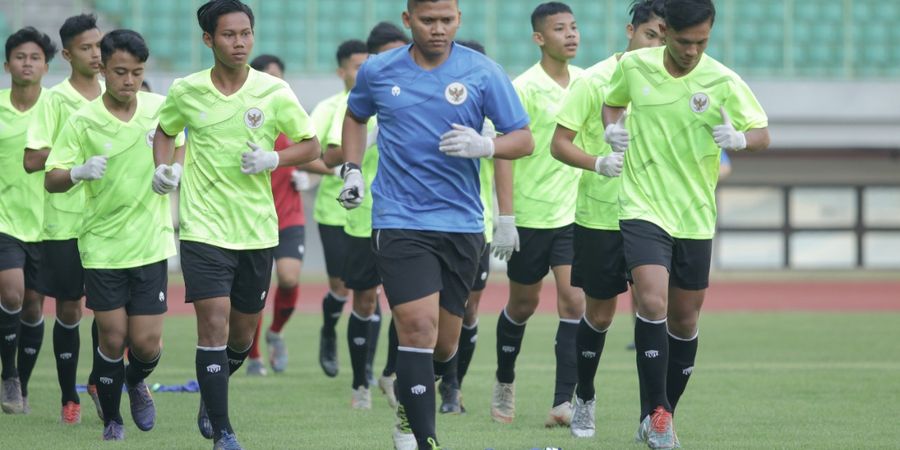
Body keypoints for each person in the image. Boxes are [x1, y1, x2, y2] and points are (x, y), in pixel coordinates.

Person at [338, 0, 533, 447]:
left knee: (444, 345)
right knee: (417, 327)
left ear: (459, 20)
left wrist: (486, 145)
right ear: (409, 21)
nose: (438, 29)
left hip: (462, 224)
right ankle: (422, 438)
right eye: (428, 20)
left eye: (447, 20)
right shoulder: (379, 71)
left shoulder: (483, 72)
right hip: (399, 218)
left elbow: (523, 138)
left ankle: (408, 408)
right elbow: (355, 116)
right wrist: (351, 170)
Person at [152, 1, 320, 448]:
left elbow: (312, 144)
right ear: (209, 40)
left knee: (242, 337)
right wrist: (163, 168)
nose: (240, 42)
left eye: (246, 33)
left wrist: (274, 157)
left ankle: (213, 391)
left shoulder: (274, 91)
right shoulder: (186, 90)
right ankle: (223, 431)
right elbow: (167, 130)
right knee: (214, 325)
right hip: (203, 228)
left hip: (258, 230)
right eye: (229, 35)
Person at [601, 0, 770, 447]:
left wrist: (740, 139)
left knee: (685, 319)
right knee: (651, 302)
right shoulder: (635, 67)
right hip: (641, 205)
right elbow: (612, 103)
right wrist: (610, 130)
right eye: (683, 41)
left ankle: (658, 414)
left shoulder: (723, 79)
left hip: (694, 215)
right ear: (665, 31)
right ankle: (660, 418)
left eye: (702, 41)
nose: (693, 50)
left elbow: (762, 133)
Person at [44, 29, 182, 441]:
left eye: (137, 73)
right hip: (102, 246)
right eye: (120, 71)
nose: (129, 81)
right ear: (103, 68)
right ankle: (112, 421)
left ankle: (135, 379)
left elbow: (180, 143)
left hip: (151, 241)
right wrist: (77, 172)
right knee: (113, 336)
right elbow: (52, 178)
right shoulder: (82, 120)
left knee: (146, 343)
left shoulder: (160, 109)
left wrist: (172, 172)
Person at [550, 0, 665, 438]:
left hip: (654, 214)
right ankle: (585, 397)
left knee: (655, 310)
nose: (655, 46)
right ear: (630, 31)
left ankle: (653, 417)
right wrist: (598, 162)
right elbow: (558, 144)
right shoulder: (594, 80)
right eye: (649, 35)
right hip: (600, 216)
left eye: (663, 38)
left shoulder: (672, 82)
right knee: (599, 315)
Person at [490, 1, 584, 428]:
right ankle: (504, 380)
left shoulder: (587, 82)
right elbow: (505, 155)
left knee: (573, 299)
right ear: (539, 38)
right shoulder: (522, 87)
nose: (571, 35)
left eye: (574, 27)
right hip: (529, 217)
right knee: (523, 305)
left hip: (572, 214)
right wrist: (505, 218)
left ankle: (565, 400)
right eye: (560, 28)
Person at [22, 13, 104, 423]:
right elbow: (33, 158)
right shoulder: (53, 100)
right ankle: (67, 393)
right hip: (65, 221)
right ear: (68, 54)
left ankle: (98, 378)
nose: (96, 53)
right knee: (70, 309)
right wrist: (73, 158)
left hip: (112, 221)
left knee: (110, 309)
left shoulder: (118, 93)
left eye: (99, 45)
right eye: (87, 47)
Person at [322, 25, 408, 410]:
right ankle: (361, 383)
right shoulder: (354, 103)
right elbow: (327, 157)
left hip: (408, 216)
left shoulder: (419, 93)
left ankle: (390, 373)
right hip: (364, 219)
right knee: (365, 302)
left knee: (407, 303)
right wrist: (357, 152)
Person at [243, 53, 314, 376]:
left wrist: (308, 178)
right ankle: (254, 355)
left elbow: (314, 155)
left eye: (280, 77)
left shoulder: (291, 117)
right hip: (252, 218)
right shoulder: (246, 120)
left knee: (288, 277)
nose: (276, 83)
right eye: (269, 76)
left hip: (288, 216)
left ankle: (276, 332)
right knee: (253, 289)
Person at [435, 38, 495, 416]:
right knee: (429, 310)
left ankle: (452, 386)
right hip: (427, 226)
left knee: (467, 311)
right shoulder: (432, 105)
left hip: (477, 227)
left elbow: (509, 159)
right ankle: (418, 376)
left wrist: (506, 219)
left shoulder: (492, 116)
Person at [311, 39, 376, 379]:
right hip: (335, 212)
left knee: (372, 292)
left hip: (374, 213)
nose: (364, 71)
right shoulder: (329, 107)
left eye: (369, 64)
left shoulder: (386, 102)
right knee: (340, 288)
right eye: (357, 66)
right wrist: (339, 167)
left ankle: (364, 371)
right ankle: (328, 332)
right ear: (342, 71)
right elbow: (309, 154)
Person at [0, 26, 55, 416]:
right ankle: (9, 374)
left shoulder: (57, 107)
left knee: (34, 307)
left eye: (35, 57)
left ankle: (23, 382)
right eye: (20, 56)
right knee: (12, 294)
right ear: (7, 65)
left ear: (46, 66)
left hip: (48, 222)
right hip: (5, 220)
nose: (28, 63)